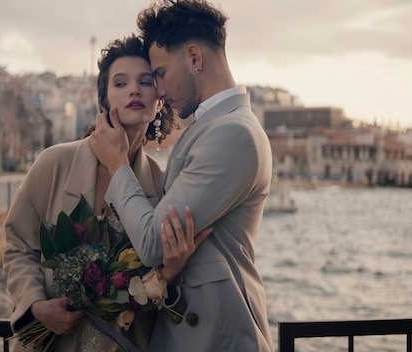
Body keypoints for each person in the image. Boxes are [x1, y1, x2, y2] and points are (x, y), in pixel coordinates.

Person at [3, 35, 210, 352]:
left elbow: (156, 283)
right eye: (120, 82)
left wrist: (170, 270)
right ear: (103, 101)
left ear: (159, 101)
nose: (134, 90)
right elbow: (18, 246)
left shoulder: (163, 183)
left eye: (145, 81)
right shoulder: (54, 163)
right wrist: (36, 306)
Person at [88, 0, 274, 351]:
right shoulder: (214, 127)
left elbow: (151, 243)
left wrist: (117, 165)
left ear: (194, 58)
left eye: (159, 74)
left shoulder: (233, 134)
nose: (156, 91)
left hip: (215, 337)